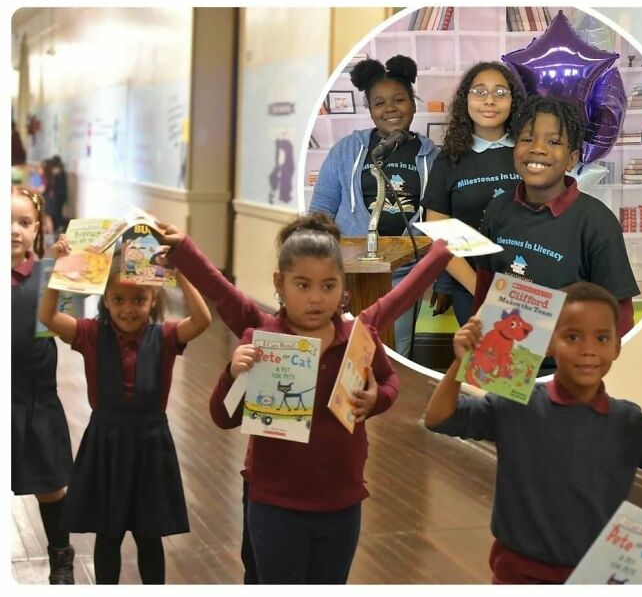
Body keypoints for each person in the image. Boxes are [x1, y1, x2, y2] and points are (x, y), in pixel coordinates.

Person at [158, 212, 452, 585]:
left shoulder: (358, 336)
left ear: (343, 285)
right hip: (275, 501)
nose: (316, 299)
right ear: (279, 283)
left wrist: (377, 398)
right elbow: (223, 412)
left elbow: (390, 372)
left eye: (329, 286)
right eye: (303, 285)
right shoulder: (262, 335)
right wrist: (234, 372)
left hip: (342, 501)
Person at [424, 281, 642, 585]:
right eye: (573, 336)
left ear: (616, 345)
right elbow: (440, 418)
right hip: (518, 576)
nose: (588, 350)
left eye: (602, 338)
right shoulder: (516, 405)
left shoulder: (628, 422)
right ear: (548, 343)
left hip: (598, 577)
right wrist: (461, 361)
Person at [38, 246, 212, 585]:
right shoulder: (89, 334)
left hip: (151, 445)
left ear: (153, 300)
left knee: (150, 534)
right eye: (118, 299)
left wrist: (181, 273)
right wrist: (60, 270)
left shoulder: (164, 336)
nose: (128, 309)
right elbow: (48, 316)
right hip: (106, 443)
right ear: (106, 301)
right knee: (108, 533)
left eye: (138, 300)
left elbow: (203, 319)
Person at [473, 96, 639, 363]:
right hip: (501, 362)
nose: (538, 149)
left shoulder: (597, 222)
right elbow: (485, 286)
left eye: (553, 141)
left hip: (565, 368)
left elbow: (620, 317)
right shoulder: (497, 209)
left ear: (572, 158)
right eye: (527, 139)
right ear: (515, 149)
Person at [309, 55, 440, 356]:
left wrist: (439, 277)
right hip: (352, 270)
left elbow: (440, 219)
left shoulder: (432, 156)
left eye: (399, 99)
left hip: (406, 272)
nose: (390, 108)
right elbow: (321, 212)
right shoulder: (347, 150)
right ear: (369, 109)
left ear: (413, 103)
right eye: (379, 103)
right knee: (347, 349)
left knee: (397, 351)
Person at [421, 61, 524, 324]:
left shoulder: (529, 151)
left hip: (529, 285)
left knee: (530, 362)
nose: (490, 100)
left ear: (514, 101)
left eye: (501, 93)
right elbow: (440, 238)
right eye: (479, 91)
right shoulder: (448, 161)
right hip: (472, 287)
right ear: (465, 100)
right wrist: (479, 288)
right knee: (485, 363)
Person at [11, 186, 75, 584]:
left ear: (38, 229)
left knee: (50, 486)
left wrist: (65, 273)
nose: (15, 230)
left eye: (24, 222)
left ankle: (61, 557)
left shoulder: (48, 276)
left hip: (34, 399)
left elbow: (68, 331)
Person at [44, 156, 68, 234]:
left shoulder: (57, 173)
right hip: (61, 196)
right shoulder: (62, 172)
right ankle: (58, 227)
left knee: (56, 213)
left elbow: (54, 187)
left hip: (58, 197)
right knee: (58, 212)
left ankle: (58, 228)